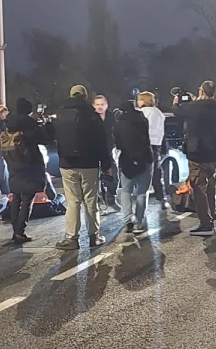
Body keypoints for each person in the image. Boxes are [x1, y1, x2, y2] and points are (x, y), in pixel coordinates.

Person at [53, 85, 111, 250]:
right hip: (89, 164)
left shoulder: (61, 114)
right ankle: (94, 236)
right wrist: (106, 165)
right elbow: (102, 143)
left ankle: (72, 238)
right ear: (85, 97)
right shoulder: (93, 116)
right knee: (91, 201)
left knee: (73, 202)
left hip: (67, 163)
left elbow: (51, 135)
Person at [173, 81, 216, 237]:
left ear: (202, 91)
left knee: (198, 187)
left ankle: (205, 223)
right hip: (213, 152)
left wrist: (176, 100)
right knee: (211, 185)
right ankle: (212, 214)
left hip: (197, 152)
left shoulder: (195, 107)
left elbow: (177, 111)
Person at [1, 98, 49, 244]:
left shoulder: (9, 123)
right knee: (28, 198)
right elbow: (44, 139)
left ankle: (15, 228)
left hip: (13, 163)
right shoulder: (29, 123)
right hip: (29, 163)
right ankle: (20, 231)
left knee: (16, 198)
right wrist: (45, 125)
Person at [114, 99, 155, 234]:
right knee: (142, 192)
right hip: (145, 158)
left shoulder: (118, 124)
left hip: (127, 159)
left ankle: (127, 219)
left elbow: (118, 144)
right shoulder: (143, 121)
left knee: (126, 190)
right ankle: (139, 222)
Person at [137, 92, 167, 208]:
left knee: (143, 175)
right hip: (157, 146)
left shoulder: (142, 113)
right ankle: (162, 198)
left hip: (144, 145)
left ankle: (141, 203)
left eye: (139, 100)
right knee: (156, 174)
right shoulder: (159, 113)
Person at [94, 94, 119, 211]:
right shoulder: (91, 117)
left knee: (114, 175)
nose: (100, 107)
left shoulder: (111, 117)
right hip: (94, 151)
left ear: (107, 105)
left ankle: (111, 199)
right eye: (97, 104)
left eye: (102, 104)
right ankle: (99, 202)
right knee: (96, 179)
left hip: (109, 150)